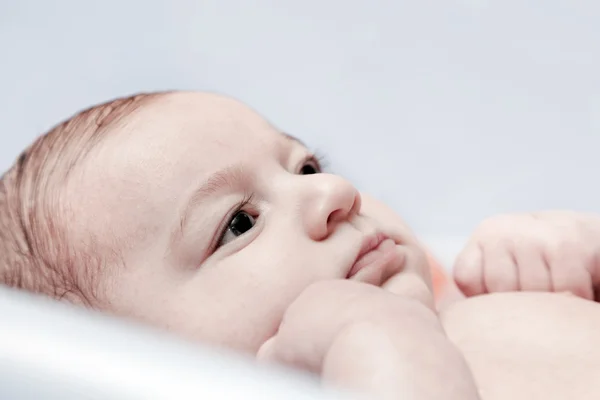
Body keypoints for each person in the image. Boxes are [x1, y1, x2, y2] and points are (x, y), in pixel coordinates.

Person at [1, 91, 599, 399]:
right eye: (239, 223)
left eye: (307, 167)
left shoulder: (472, 293)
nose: (335, 193)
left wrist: (577, 259)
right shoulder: (363, 359)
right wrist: (372, 336)